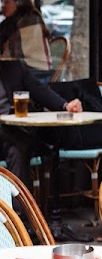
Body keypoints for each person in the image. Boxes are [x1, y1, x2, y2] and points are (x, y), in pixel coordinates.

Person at [0, 58, 82, 186]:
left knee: (17, 152)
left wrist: (65, 105)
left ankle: (17, 206)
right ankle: (34, 143)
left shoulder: (14, 68)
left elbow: (38, 89)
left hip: (10, 137)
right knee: (21, 141)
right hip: (14, 134)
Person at [0, 0, 52, 83]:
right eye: (2, 2)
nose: (3, 6)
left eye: (7, 2)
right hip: (21, 70)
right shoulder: (10, 22)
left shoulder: (30, 19)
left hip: (37, 72)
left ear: (18, 3)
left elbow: (16, 55)